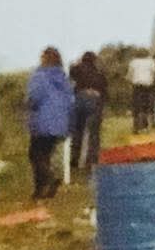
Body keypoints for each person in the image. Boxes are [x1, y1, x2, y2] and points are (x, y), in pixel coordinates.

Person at [26, 47, 74, 199]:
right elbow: (70, 99)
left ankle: (47, 181)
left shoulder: (40, 76)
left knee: (35, 154)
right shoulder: (62, 77)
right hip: (60, 122)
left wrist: (28, 106)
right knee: (45, 154)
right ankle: (41, 190)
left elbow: (35, 97)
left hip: (43, 120)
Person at [69, 51, 108, 171]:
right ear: (94, 60)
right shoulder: (99, 73)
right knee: (94, 134)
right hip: (95, 99)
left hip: (80, 98)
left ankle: (74, 160)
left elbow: (71, 72)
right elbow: (104, 91)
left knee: (77, 131)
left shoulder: (78, 70)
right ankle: (91, 163)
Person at [127, 54, 155, 132]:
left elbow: (129, 75)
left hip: (137, 85)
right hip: (148, 85)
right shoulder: (151, 62)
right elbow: (154, 74)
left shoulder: (133, 62)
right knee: (146, 107)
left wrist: (131, 82)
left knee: (137, 107)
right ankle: (146, 127)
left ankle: (136, 127)